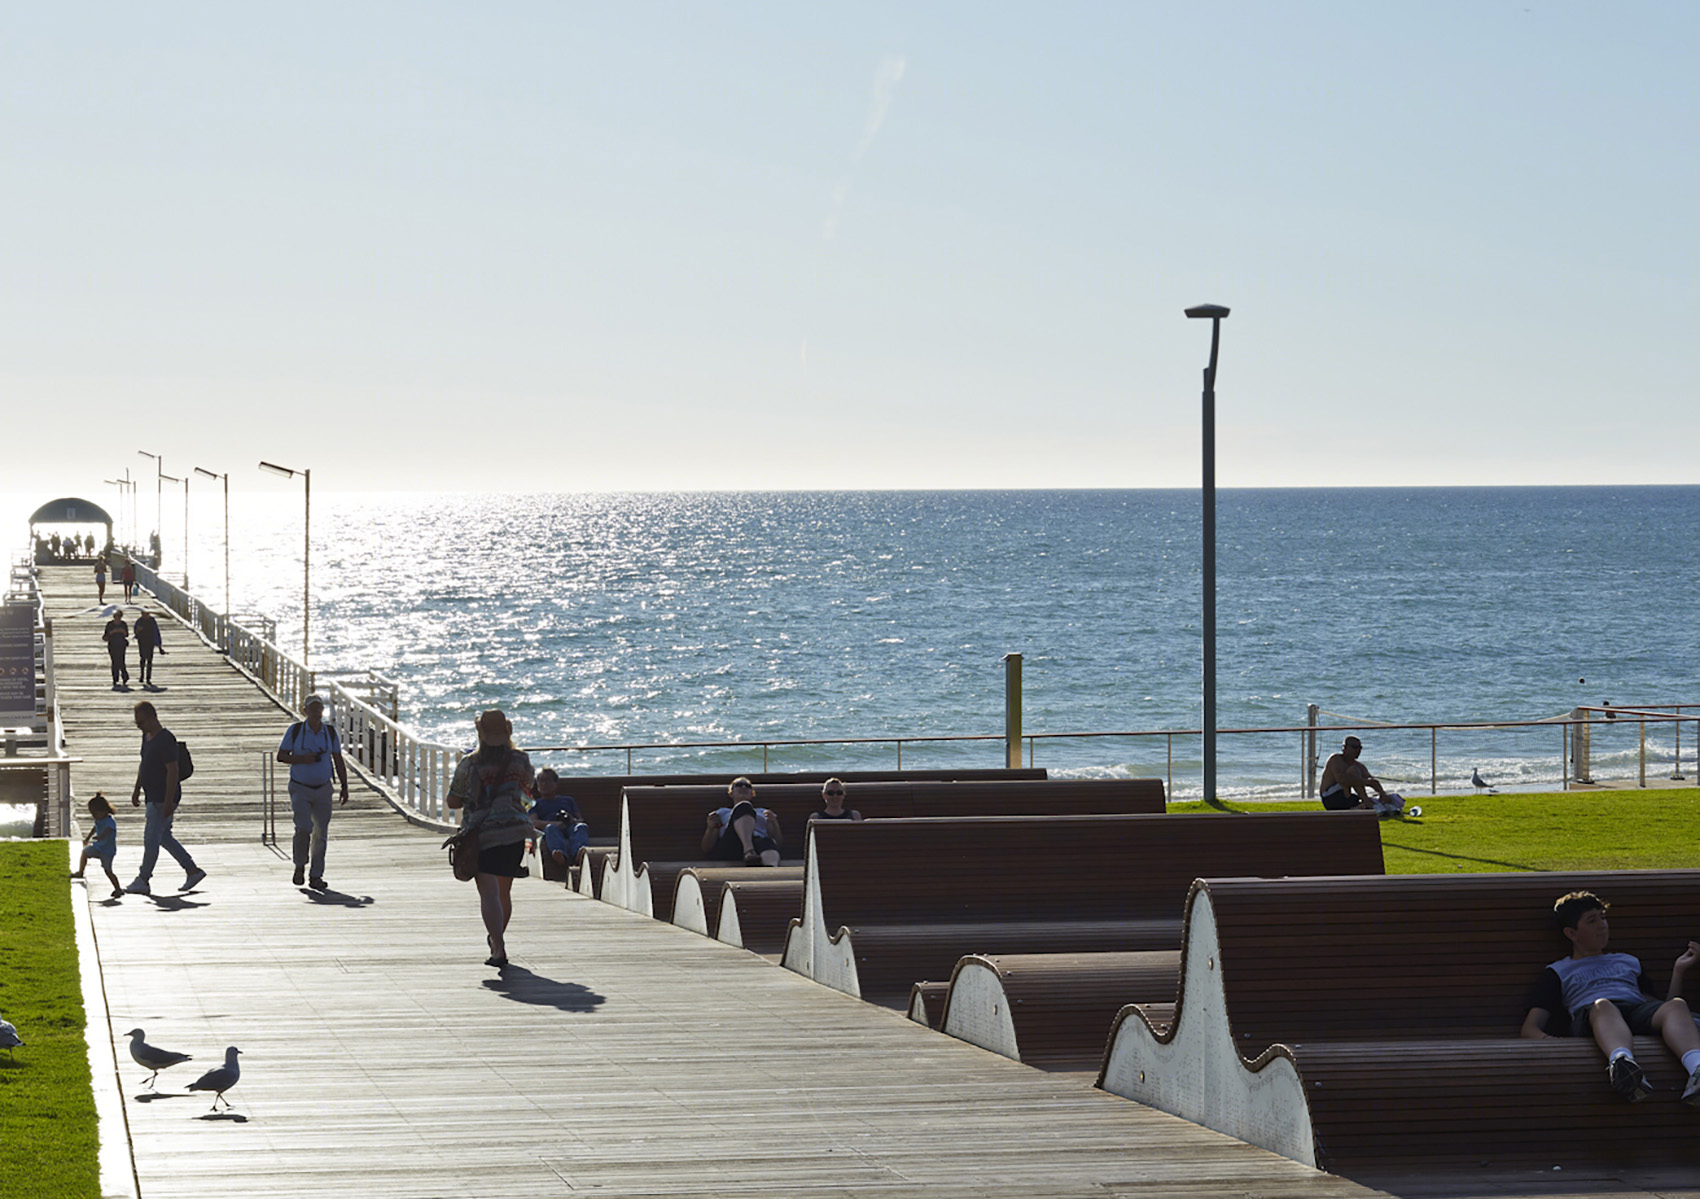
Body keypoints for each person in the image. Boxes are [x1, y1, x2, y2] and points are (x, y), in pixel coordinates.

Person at [1520, 890, 1700, 1104]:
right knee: (1603, 1005)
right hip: (1593, 1018)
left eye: (1603, 918)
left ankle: (1697, 1069)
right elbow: (1530, 1028)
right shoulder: (1558, 971)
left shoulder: (1628, 961)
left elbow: (1661, 1008)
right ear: (1571, 933)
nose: (1602, 925)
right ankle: (1622, 1065)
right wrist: (1555, 1044)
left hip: (1635, 1011)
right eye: (1592, 921)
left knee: (1677, 1006)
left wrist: (1678, 971)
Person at [446, 709, 534, 967]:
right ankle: (497, 940)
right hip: (515, 832)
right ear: (507, 732)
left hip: (482, 835)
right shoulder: (521, 760)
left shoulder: (470, 763)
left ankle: (499, 948)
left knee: (489, 895)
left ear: (480, 733)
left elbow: (453, 800)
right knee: (504, 893)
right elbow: (527, 790)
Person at [126, 701, 205, 895]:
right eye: (137, 724)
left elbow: (173, 770)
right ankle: (192, 870)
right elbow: (143, 764)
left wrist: (169, 801)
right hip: (151, 795)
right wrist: (137, 789)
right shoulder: (146, 737)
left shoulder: (166, 739)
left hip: (162, 797)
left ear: (153, 717)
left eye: (141, 722)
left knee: (151, 839)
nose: (140, 727)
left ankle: (143, 879)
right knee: (164, 837)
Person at [275, 694, 349, 890]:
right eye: (312, 708)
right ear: (305, 710)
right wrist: (302, 759)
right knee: (303, 827)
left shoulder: (329, 732)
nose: (316, 712)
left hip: (324, 788)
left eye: (319, 708)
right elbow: (281, 756)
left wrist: (344, 785)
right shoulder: (296, 730)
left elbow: (338, 759)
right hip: (300, 787)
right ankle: (299, 865)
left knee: (321, 833)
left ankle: (316, 875)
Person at [701, 777, 784, 866]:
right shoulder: (721, 813)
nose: (744, 787)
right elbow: (706, 848)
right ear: (731, 793)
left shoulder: (763, 812)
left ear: (752, 794)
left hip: (758, 846)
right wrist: (710, 829)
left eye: (748, 786)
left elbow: (778, 844)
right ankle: (748, 851)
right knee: (744, 807)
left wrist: (774, 823)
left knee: (767, 841)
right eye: (739, 785)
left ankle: (771, 869)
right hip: (731, 845)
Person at [1318, 736, 1401, 814]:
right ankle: (1369, 803)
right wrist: (1366, 782)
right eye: (1354, 747)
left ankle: (1380, 804)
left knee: (1360, 798)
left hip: (1346, 798)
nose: (1358, 750)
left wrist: (1382, 794)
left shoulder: (1359, 766)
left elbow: (1372, 781)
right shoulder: (1336, 759)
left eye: (1360, 748)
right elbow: (1341, 779)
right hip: (1331, 798)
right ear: (1344, 748)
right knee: (1354, 773)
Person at [529, 768, 588, 867]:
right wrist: (554, 824)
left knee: (581, 827)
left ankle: (578, 854)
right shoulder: (535, 804)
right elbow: (533, 822)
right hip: (551, 829)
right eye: (540, 781)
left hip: (569, 826)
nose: (543, 784)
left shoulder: (568, 800)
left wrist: (572, 820)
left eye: (547, 781)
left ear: (555, 783)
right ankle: (560, 856)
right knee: (550, 829)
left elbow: (580, 819)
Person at [72, 793, 123, 900]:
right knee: (85, 852)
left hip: (107, 851)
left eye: (96, 813)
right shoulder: (98, 819)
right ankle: (80, 872)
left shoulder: (110, 821)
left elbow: (108, 831)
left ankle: (118, 888)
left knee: (108, 870)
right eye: (92, 814)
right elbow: (94, 828)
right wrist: (88, 838)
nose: (94, 816)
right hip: (98, 847)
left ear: (104, 810)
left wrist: (100, 837)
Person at [133, 610, 163, 687]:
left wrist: (159, 645)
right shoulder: (139, 621)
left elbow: (156, 632)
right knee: (142, 658)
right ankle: (142, 675)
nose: (145, 615)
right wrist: (138, 630)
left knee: (149, 659)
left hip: (150, 642)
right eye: (143, 613)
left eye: (146, 613)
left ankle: (148, 678)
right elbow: (135, 631)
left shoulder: (152, 621)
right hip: (142, 641)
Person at [102, 610, 131, 688]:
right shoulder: (110, 624)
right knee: (114, 661)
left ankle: (125, 676)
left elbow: (127, 634)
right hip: (112, 645)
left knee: (121, 661)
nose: (117, 617)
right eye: (116, 616)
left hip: (121, 645)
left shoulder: (123, 624)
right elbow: (105, 636)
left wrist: (122, 631)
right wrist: (112, 632)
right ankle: (115, 678)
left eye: (119, 616)